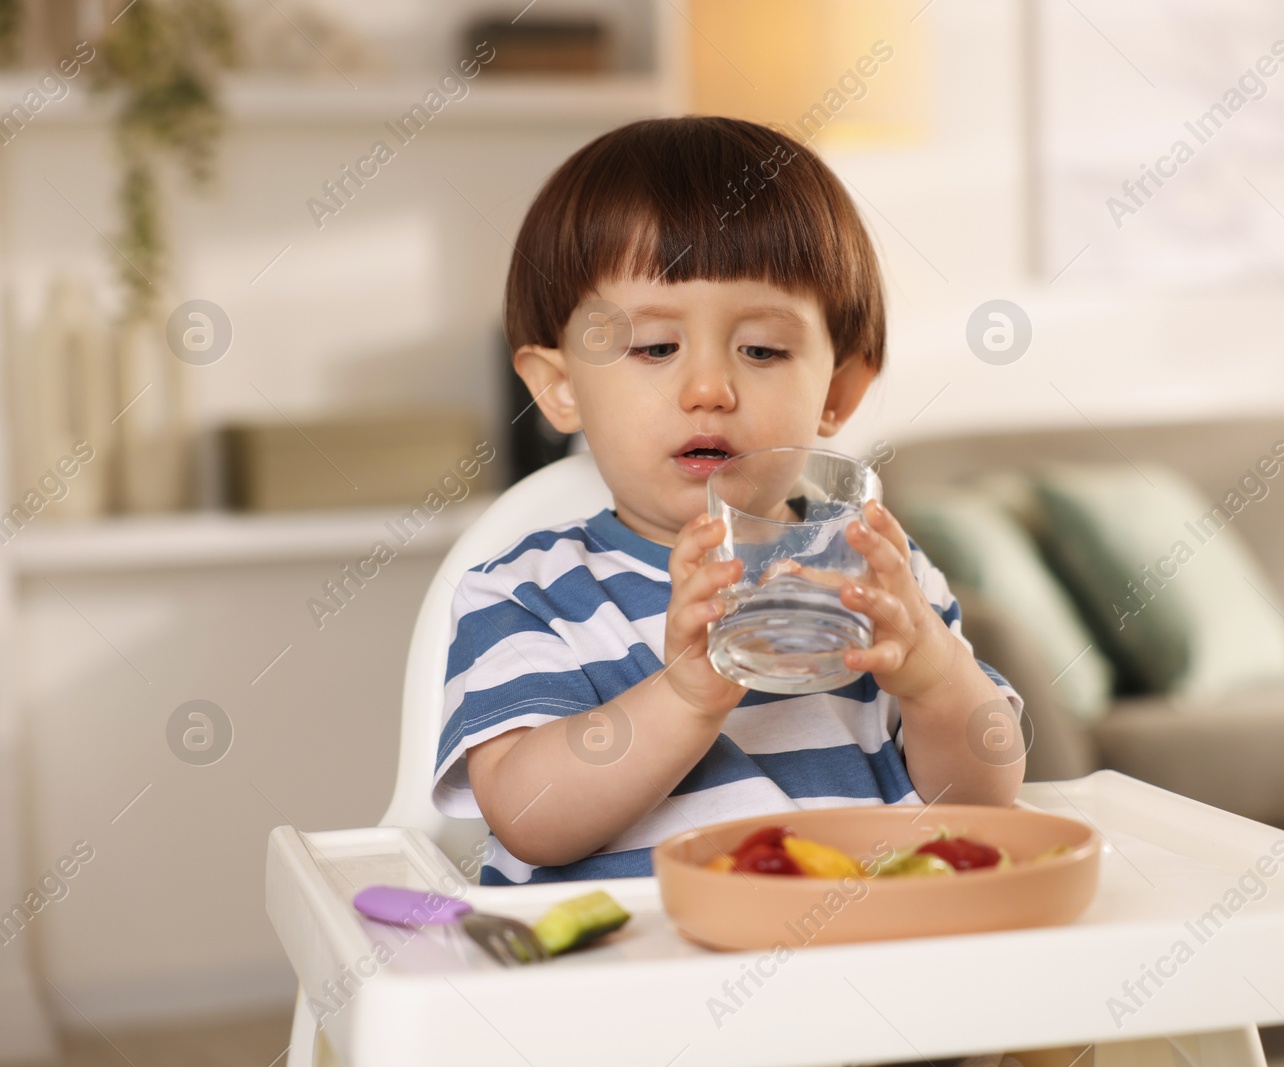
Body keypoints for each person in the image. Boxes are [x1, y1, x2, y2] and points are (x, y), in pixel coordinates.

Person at [431, 115, 1025, 888]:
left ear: (838, 392)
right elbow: (531, 816)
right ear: (560, 386)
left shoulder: (876, 575)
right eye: (654, 347)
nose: (709, 388)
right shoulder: (526, 593)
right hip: (630, 987)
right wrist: (686, 692)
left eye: (762, 349)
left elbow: (984, 799)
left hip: (866, 969)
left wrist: (934, 675)